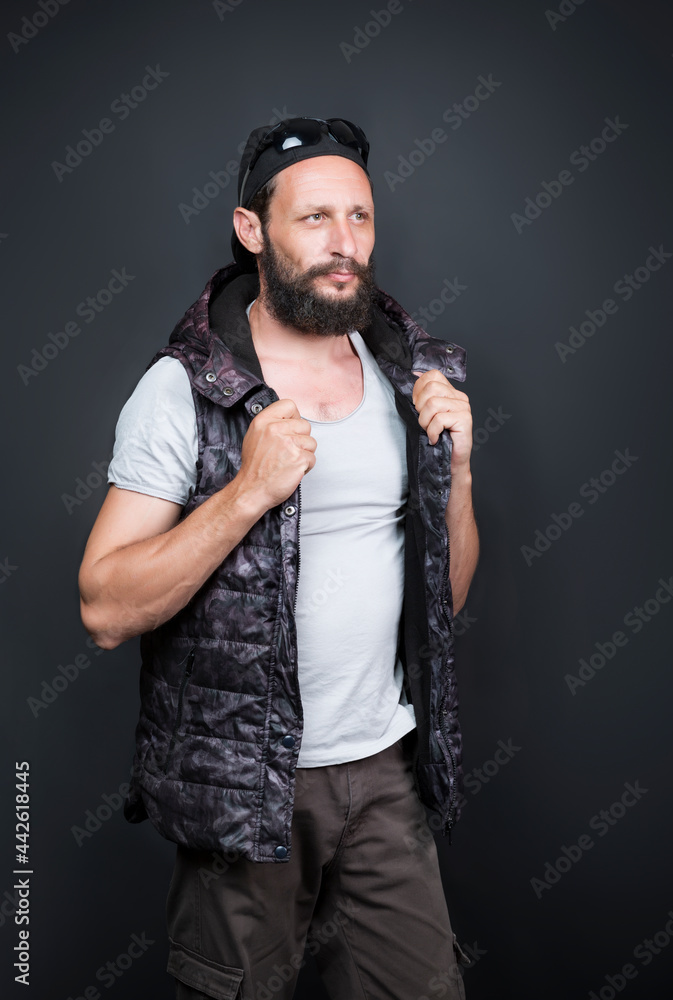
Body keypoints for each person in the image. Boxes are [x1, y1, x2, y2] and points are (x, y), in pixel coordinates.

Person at [78, 115, 479, 999]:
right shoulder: (184, 389)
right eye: (314, 220)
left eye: (360, 218)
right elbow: (105, 609)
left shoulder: (406, 379)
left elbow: (439, 607)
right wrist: (248, 492)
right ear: (251, 229)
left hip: (385, 773)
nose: (345, 246)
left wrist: (458, 477)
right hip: (245, 788)